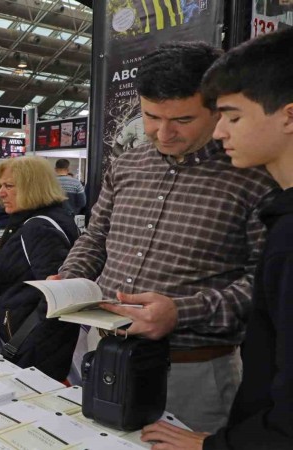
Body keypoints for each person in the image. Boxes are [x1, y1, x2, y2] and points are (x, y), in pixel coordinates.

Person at [56, 41, 277, 433]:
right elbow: (96, 237)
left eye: (183, 120)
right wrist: (70, 279)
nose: (163, 132)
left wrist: (181, 312)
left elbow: (263, 284)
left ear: (217, 110)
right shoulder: (127, 165)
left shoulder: (254, 177)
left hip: (192, 371)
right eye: (151, 116)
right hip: (103, 348)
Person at [141, 28, 293, 449]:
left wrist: (216, 446)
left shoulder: (262, 193)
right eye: (151, 117)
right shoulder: (130, 164)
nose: (222, 132)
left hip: (203, 369)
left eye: (233, 116)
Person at [0, 157, 80, 381]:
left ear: (32, 186)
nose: (1, 193)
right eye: (1, 186)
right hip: (19, 333)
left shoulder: (39, 227)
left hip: (25, 344)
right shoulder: (37, 220)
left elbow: (55, 297)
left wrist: (25, 345)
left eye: (9, 186)